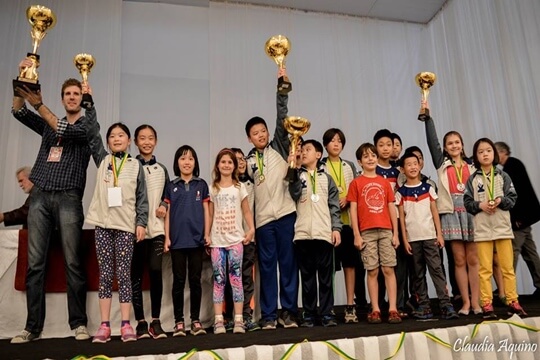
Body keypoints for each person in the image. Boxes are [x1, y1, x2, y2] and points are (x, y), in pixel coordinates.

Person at [11, 60, 91, 343]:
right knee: (35, 264)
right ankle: (32, 327)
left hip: (69, 197)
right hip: (41, 197)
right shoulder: (48, 124)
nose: (71, 97)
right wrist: (23, 81)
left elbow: (63, 128)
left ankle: (79, 324)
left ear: (82, 99)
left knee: (73, 262)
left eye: (76, 94)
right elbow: (18, 110)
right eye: (68, 94)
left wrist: (40, 105)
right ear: (62, 98)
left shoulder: (86, 127)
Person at [84, 120, 149, 343]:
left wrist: (141, 223)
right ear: (108, 142)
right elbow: (92, 133)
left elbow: (142, 198)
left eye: (121, 135)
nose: (117, 138)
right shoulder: (103, 160)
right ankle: (104, 326)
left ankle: (125, 324)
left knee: (124, 276)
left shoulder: (135, 165)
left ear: (129, 141)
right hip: (102, 225)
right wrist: (89, 106)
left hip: (125, 228)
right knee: (105, 275)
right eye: (112, 136)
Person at [244, 68, 298, 330]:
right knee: (266, 269)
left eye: (263, 130)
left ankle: (287, 312)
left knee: (288, 266)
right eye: (256, 133)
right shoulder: (248, 161)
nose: (261, 135)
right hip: (264, 221)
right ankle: (268, 315)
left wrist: (281, 88)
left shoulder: (279, 145)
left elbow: (282, 117)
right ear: (249, 138)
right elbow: (247, 195)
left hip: (287, 215)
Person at [419, 100, 481, 316]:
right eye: (450, 144)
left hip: (470, 212)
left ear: (462, 145)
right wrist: (428, 118)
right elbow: (432, 142)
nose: (454, 146)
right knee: (459, 260)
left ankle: (476, 302)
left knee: (474, 260)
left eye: (457, 142)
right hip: (451, 213)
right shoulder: (442, 164)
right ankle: (464, 302)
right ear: (445, 148)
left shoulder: (473, 165)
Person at [464, 138, 527, 318]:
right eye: (481, 151)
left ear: (494, 154)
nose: (485, 154)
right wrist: (480, 205)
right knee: (485, 269)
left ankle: (513, 301)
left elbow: (512, 198)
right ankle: (487, 304)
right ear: (476, 156)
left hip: (502, 228)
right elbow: (467, 203)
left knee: (507, 267)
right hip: (483, 230)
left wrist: (500, 201)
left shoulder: (502, 176)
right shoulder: (473, 179)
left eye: (488, 151)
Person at [396, 152, 459, 320]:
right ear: (402, 169)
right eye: (408, 164)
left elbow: (434, 212)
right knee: (418, 274)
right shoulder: (401, 192)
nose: (413, 167)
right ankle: (424, 306)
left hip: (430, 237)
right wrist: (404, 239)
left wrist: (439, 234)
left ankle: (445, 304)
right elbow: (401, 218)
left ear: (420, 165)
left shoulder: (428, 188)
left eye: (415, 163)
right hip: (413, 240)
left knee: (437, 270)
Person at [346, 143, 402, 324]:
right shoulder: (356, 183)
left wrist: (395, 234)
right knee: (372, 270)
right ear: (359, 162)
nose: (370, 159)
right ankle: (376, 308)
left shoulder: (384, 182)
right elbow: (352, 210)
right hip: (366, 232)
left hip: (386, 230)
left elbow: (391, 207)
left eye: (373, 155)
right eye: (366, 156)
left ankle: (393, 308)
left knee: (388, 268)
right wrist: (356, 234)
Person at [290, 139, 342, 327]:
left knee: (326, 278)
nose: (303, 152)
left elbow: (334, 206)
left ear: (318, 155)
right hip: (303, 235)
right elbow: (294, 194)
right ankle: (309, 314)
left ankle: (327, 313)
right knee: (308, 278)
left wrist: (336, 229)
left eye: (308, 149)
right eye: (302, 150)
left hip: (323, 234)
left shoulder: (327, 178)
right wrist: (294, 169)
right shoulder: (297, 175)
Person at [208, 148, 255, 335]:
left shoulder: (239, 187)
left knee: (236, 279)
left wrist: (250, 229)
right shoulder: (213, 188)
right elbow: (210, 213)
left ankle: (238, 320)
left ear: (234, 166)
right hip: (217, 241)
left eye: (230, 162)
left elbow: (246, 211)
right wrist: (207, 235)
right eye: (223, 162)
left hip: (236, 239)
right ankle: (219, 320)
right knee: (219, 280)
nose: (226, 165)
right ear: (218, 165)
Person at [164, 145, 209, 337]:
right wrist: (167, 237)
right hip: (177, 242)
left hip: (197, 240)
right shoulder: (171, 186)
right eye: (183, 158)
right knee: (178, 282)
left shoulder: (202, 185)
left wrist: (207, 234)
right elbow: (166, 214)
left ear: (195, 162)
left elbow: (207, 211)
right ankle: (179, 322)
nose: (187, 162)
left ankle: (196, 320)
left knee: (195, 281)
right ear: (177, 163)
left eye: (190, 158)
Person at [320, 128, 364, 323]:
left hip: (347, 223)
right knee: (328, 267)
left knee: (350, 264)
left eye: (339, 140)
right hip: (327, 224)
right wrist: (335, 201)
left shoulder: (349, 165)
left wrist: (348, 198)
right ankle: (327, 307)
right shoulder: (320, 166)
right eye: (332, 140)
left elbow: (356, 189)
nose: (336, 144)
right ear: (325, 145)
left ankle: (349, 305)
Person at [131, 125, 170, 339]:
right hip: (135, 229)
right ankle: (140, 322)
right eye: (142, 138)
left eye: (151, 138)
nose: (146, 142)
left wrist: (164, 205)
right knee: (135, 275)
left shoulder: (162, 169)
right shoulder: (130, 166)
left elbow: (167, 196)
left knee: (155, 271)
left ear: (156, 141)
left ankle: (155, 321)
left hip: (157, 230)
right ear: (135, 142)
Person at [495, 141, 540, 298]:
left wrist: (518, 219)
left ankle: (506, 287)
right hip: (526, 217)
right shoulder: (514, 165)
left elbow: (518, 195)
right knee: (530, 252)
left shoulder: (511, 168)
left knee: (511, 252)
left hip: (521, 219)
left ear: (502, 152)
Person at [222, 148, 259, 331]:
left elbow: (251, 211)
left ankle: (246, 314)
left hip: (248, 239)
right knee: (230, 279)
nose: (241, 162)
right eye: (237, 159)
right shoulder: (225, 187)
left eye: (243, 158)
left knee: (246, 278)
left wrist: (252, 232)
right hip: (229, 239)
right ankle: (229, 316)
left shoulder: (252, 184)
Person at [373, 129, 407, 318]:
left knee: (398, 266)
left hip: (395, 222)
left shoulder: (397, 172)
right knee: (377, 268)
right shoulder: (371, 170)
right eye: (381, 145)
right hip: (376, 222)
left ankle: (398, 305)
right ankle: (377, 306)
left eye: (389, 145)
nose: (386, 149)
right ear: (375, 147)